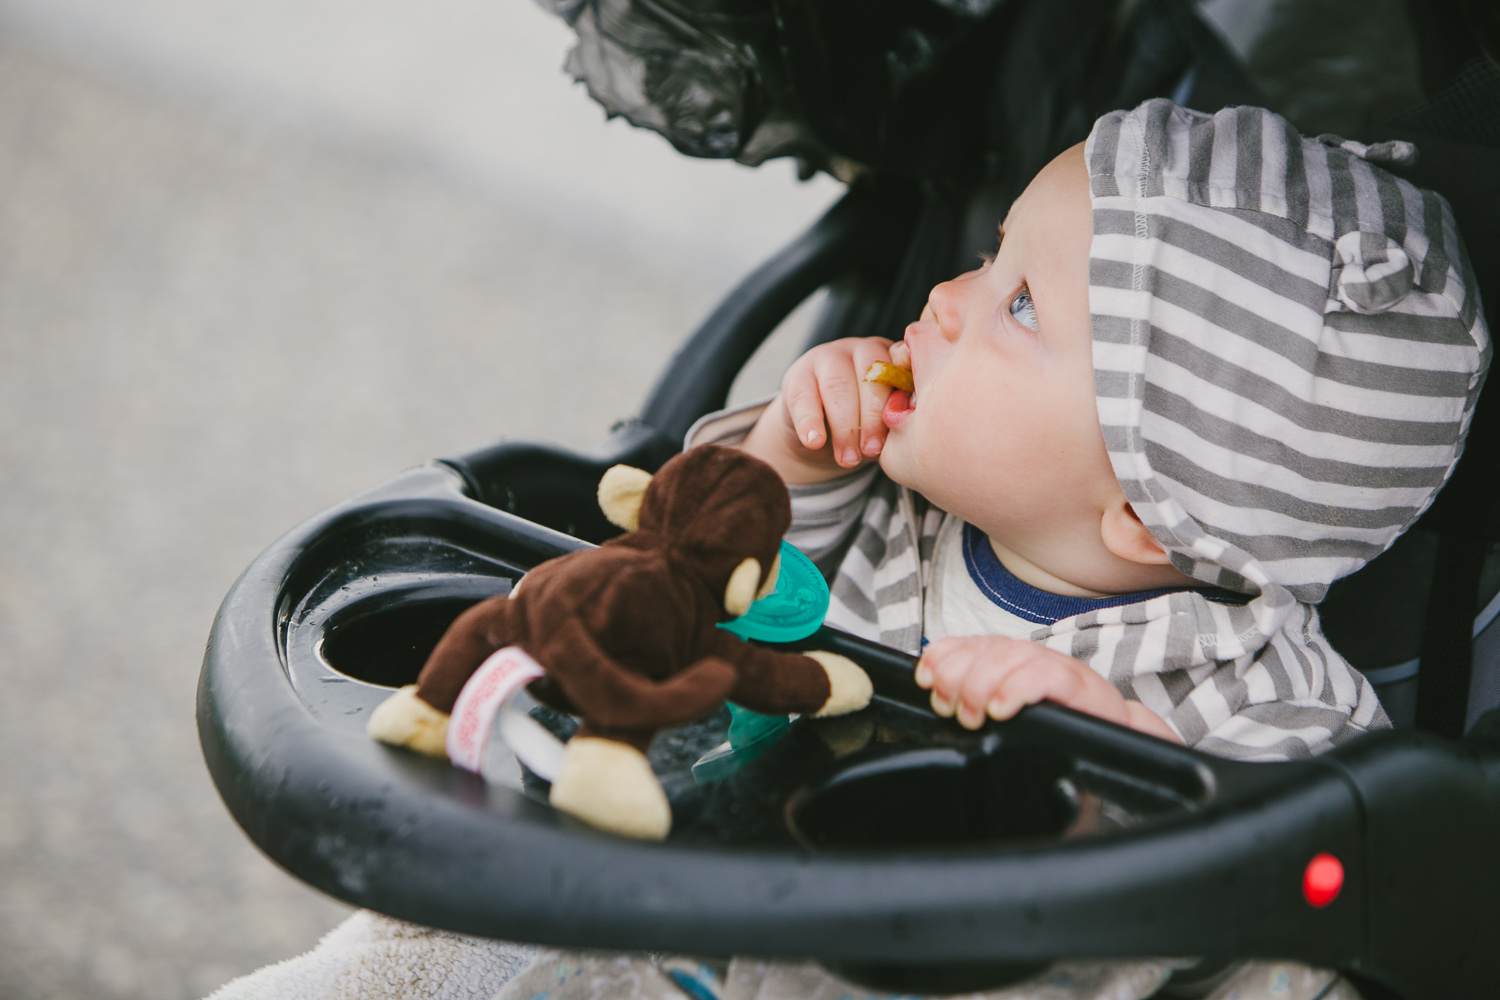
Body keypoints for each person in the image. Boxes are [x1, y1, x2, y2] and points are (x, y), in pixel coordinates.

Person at [205, 99, 1489, 1000]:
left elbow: (1283, 902)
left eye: (1018, 304)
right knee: (467, 911)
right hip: (703, 919)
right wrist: (788, 457)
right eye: (989, 258)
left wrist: (1118, 753)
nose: (943, 298)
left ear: (1146, 513)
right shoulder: (892, 497)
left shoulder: (1261, 696)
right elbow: (701, 584)